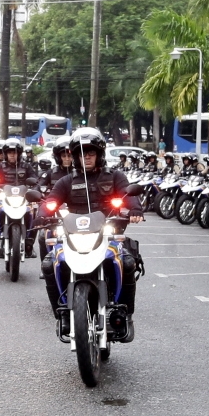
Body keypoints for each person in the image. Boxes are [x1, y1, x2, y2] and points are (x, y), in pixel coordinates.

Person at [43, 128, 144, 339]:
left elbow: (128, 194)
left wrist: (134, 209)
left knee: (127, 261)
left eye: (90, 152)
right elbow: (51, 201)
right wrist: (42, 213)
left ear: (99, 154)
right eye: (81, 152)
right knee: (49, 263)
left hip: (108, 234)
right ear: (75, 156)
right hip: (74, 236)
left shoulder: (115, 176)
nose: (86, 156)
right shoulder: (66, 181)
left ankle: (126, 313)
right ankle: (61, 314)